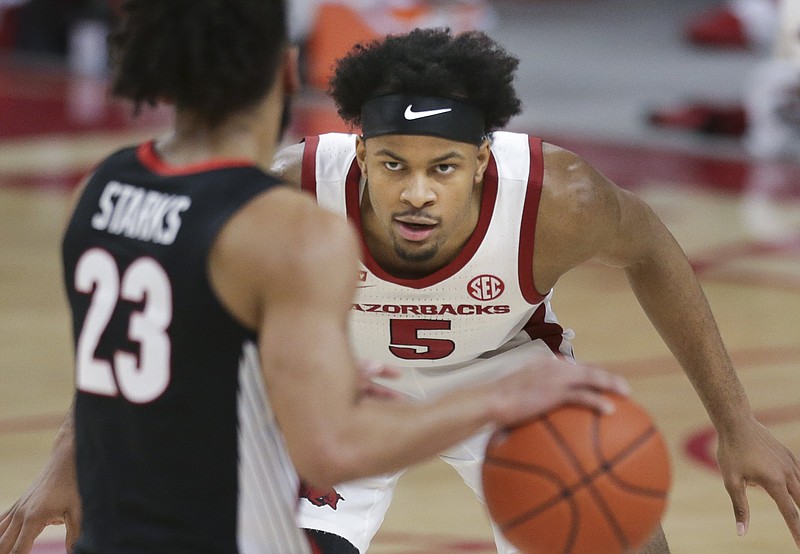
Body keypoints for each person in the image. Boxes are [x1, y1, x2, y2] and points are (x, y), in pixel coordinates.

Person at [0, 6, 634, 554]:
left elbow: (135, 356)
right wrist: (495, 403)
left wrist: (64, 457)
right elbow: (333, 451)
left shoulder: (103, 186)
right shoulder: (281, 227)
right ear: (286, 70)